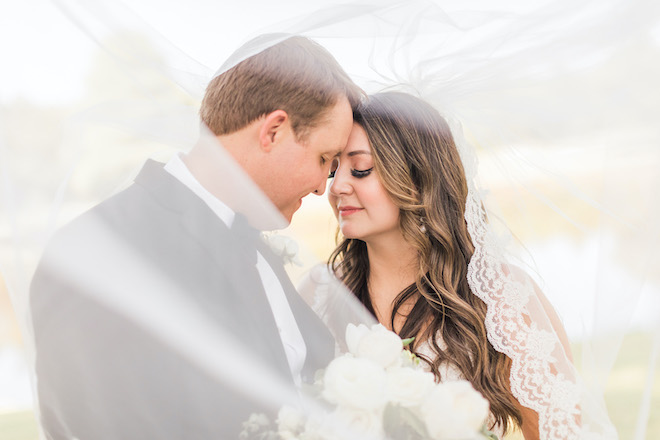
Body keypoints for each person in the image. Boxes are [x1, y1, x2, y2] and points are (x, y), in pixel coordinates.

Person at [29, 35, 362, 440]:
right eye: (324, 160)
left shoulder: (260, 251)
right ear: (273, 131)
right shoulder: (96, 251)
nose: (320, 187)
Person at [324, 91, 578, 439]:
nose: (337, 187)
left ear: (417, 176)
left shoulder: (499, 298)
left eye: (360, 168)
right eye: (331, 168)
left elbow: (560, 432)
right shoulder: (323, 296)